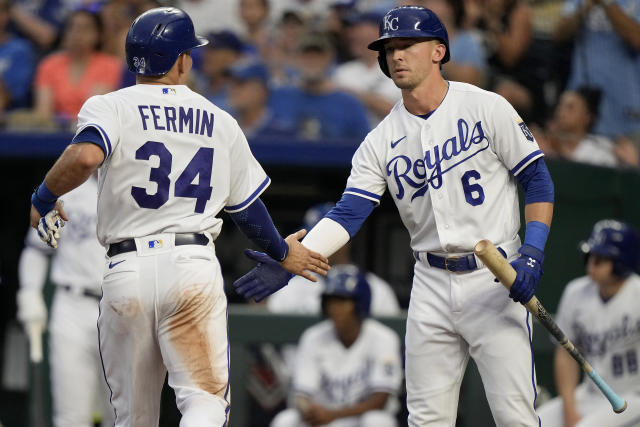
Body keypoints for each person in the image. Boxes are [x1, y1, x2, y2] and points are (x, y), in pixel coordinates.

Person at [234, 6, 555, 426]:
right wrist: (295, 258)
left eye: (407, 45)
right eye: (389, 48)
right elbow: (349, 212)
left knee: (515, 415)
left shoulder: (486, 106)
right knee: (425, 419)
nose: (396, 55)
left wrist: (532, 252)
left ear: (439, 50)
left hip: (494, 275)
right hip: (431, 281)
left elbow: (538, 180)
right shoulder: (380, 140)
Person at [27, 7, 329, 426]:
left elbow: (83, 156)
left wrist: (43, 197)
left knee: (134, 417)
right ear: (182, 60)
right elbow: (245, 208)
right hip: (192, 267)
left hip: (125, 268)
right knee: (203, 403)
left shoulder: (110, 105)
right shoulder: (220, 119)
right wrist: (282, 252)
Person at [16, 176, 113, 427]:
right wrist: (30, 293)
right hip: (73, 304)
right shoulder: (67, 192)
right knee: (71, 416)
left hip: (119, 308)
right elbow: (36, 249)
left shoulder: (131, 185)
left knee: (123, 415)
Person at [536, 220, 640, 427]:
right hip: (591, 393)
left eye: (601, 259)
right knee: (533, 422)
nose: (591, 264)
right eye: (590, 256)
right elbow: (565, 354)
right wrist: (569, 410)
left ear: (621, 262)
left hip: (632, 396)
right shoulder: (576, 292)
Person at [270, 266, 403, 427]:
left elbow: (380, 400)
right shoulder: (313, 337)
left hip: (358, 419)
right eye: (330, 301)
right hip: (323, 418)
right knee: (286, 420)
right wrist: (308, 410)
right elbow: (301, 394)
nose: (334, 308)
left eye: (342, 301)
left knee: (377, 421)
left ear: (360, 303)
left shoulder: (383, 337)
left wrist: (333, 415)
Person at [267, 202, 401, 316]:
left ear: (345, 241)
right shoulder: (292, 287)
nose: (312, 246)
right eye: (310, 239)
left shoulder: (378, 290)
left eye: (321, 239)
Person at [553, 0, 640, 143]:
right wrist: (586, 7)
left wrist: (606, 3)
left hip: (625, 108)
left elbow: (636, 38)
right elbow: (559, 34)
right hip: (582, 104)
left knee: (625, 161)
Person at [270, 31, 371, 141]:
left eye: (318, 56)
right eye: (306, 55)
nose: (312, 61)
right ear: (296, 58)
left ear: (330, 58)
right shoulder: (278, 96)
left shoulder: (349, 104)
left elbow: (364, 148)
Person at [32, 8, 122, 128]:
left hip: (94, 133)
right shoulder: (49, 64)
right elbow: (43, 114)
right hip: (54, 133)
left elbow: (93, 113)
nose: (77, 33)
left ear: (98, 35)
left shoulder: (110, 65)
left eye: (85, 28)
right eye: (72, 27)